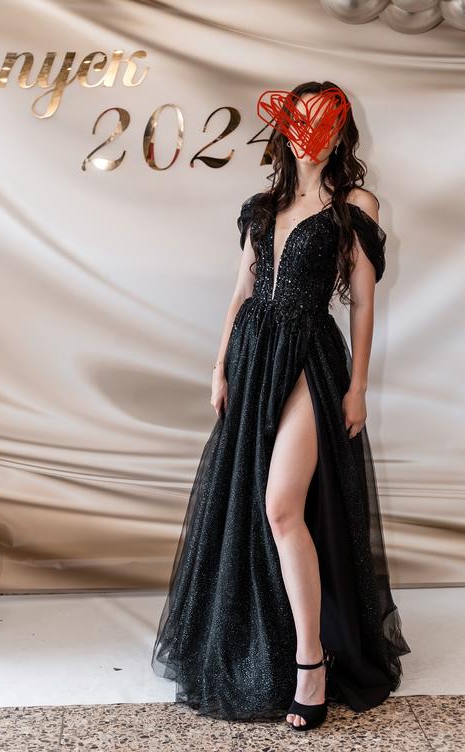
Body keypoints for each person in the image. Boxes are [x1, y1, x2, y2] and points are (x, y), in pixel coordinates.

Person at [151, 80, 411, 732]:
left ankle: (310, 663)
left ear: (340, 132)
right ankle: (268, 640)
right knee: (247, 503)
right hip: (251, 358)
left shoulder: (354, 204)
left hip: (308, 359)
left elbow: (362, 301)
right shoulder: (261, 206)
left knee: (280, 506)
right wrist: (219, 366)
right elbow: (242, 290)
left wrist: (357, 387)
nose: (308, 135)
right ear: (285, 128)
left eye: (323, 123)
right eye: (300, 121)